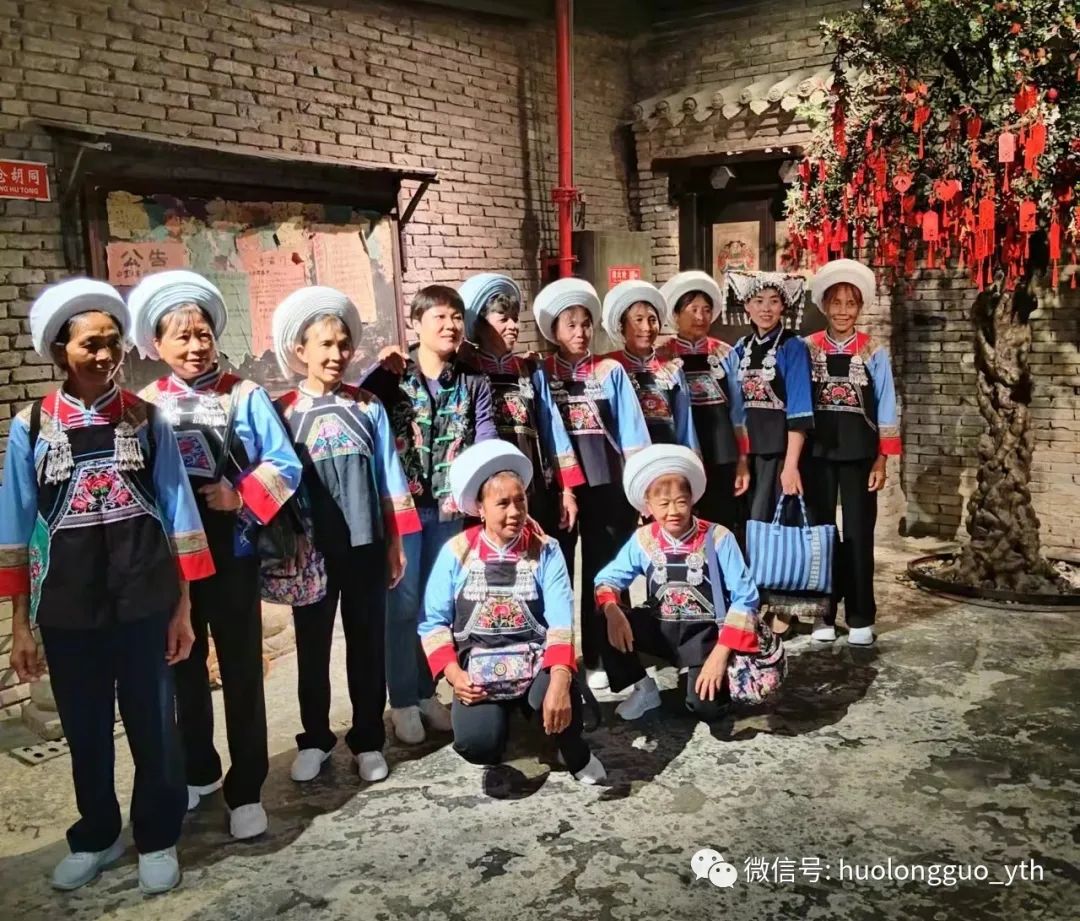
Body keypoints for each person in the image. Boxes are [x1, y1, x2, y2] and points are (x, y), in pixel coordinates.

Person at [1, 278, 215, 894]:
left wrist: (183, 608)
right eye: (89, 344)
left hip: (145, 598)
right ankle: (96, 834)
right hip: (68, 607)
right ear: (59, 351)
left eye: (112, 342)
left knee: (154, 724)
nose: (104, 354)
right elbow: (15, 526)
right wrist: (21, 624)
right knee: (85, 728)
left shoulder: (147, 420)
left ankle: (158, 834)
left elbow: (179, 513)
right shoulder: (31, 426)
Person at [129, 270, 302, 840]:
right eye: (181, 337)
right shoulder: (145, 405)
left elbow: (285, 464)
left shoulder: (243, 394)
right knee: (182, 663)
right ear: (157, 345)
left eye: (202, 334)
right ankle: (197, 769)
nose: (195, 346)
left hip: (233, 547)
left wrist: (240, 495)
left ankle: (247, 786)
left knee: (241, 666)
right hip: (172, 557)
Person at [272, 286, 422, 781]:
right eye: (325, 345)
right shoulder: (282, 411)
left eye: (343, 345)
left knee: (366, 642)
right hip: (309, 552)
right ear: (300, 350)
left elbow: (388, 477)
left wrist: (396, 543)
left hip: (365, 544)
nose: (336, 354)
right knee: (312, 647)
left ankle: (368, 739)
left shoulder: (367, 407)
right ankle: (315, 738)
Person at [419, 440, 605, 783]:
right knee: (477, 745)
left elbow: (561, 622)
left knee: (562, 697)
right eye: (502, 503)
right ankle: (508, 721)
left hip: (536, 665)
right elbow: (432, 622)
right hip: (480, 673)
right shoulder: (455, 552)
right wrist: (454, 675)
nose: (515, 511)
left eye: (520, 500)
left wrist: (560, 680)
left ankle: (571, 747)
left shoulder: (546, 550)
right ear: (481, 509)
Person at [361, 285, 497, 744]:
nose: (450, 325)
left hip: (450, 509)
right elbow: (356, 408)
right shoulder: (391, 377)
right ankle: (401, 700)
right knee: (401, 604)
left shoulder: (472, 381)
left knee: (434, 606)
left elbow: (485, 437)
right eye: (439, 316)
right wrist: (377, 366)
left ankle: (424, 693)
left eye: (456, 317)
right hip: (402, 512)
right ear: (415, 324)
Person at [532, 277, 651, 691]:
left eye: (585, 324)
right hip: (559, 488)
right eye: (571, 325)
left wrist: (640, 487)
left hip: (608, 484)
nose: (580, 332)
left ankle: (608, 656)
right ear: (554, 330)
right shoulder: (540, 373)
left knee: (607, 572)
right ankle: (562, 660)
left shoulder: (610, 371)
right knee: (559, 574)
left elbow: (632, 432)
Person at [593, 445, 761, 722]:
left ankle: (709, 676)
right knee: (603, 617)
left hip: (705, 637)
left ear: (692, 500)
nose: (673, 511)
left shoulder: (718, 537)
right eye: (663, 504)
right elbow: (607, 579)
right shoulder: (643, 539)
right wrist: (612, 610)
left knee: (706, 710)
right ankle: (644, 688)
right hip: (661, 630)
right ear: (648, 507)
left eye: (681, 502)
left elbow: (746, 597)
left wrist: (721, 654)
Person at [804, 259, 900, 647]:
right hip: (817, 455)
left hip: (861, 456)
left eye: (851, 303)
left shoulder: (874, 350)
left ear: (860, 308)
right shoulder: (807, 348)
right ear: (824, 305)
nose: (843, 311)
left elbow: (887, 404)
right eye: (836, 302)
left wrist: (882, 458)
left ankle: (860, 615)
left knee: (859, 534)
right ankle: (822, 614)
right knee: (820, 535)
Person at [457, 272, 584, 535]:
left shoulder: (531, 369)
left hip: (534, 485)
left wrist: (567, 490)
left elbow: (552, 429)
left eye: (515, 319)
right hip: (486, 491)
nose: (513, 325)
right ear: (479, 325)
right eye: (503, 319)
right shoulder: (466, 373)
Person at [657, 271, 749, 530]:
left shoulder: (725, 353)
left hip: (722, 453)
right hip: (680, 454)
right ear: (676, 314)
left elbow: (738, 413)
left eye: (706, 310)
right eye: (693, 309)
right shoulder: (662, 356)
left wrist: (742, 460)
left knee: (722, 524)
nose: (701, 317)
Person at [729, 271, 814, 523]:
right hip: (746, 453)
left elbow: (799, 410)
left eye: (774, 301)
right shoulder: (741, 347)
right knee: (744, 522)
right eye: (758, 301)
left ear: (783, 306)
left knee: (769, 525)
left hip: (778, 454)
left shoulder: (793, 346)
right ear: (747, 305)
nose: (766, 309)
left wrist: (790, 466)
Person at [601, 279, 699, 452]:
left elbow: (685, 423)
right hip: (627, 458)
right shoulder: (609, 369)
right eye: (638, 320)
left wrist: (690, 457)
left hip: (668, 454)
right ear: (621, 326)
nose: (647, 328)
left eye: (652, 320)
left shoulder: (671, 369)